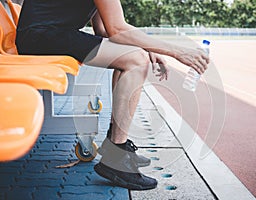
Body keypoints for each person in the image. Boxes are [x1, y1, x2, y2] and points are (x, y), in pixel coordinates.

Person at [16, 0, 209, 190]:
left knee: (131, 56)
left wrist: (149, 47)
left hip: (45, 34)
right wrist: (178, 52)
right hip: (42, 36)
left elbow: (104, 29)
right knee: (136, 60)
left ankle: (116, 148)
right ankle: (115, 157)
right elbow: (117, 29)